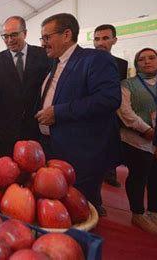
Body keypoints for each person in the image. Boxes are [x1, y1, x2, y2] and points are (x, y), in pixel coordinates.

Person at [35, 13, 121, 217]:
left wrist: (59, 112)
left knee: (80, 211)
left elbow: (109, 99)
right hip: (53, 149)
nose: (44, 43)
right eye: (42, 38)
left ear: (66, 35)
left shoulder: (95, 59)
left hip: (82, 155)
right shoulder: (55, 64)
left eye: (47, 37)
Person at [0, 16, 51, 170]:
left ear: (24, 33)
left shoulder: (42, 55)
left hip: (36, 127)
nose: (9, 40)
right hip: (7, 130)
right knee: (10, 172)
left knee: (36, 172)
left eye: (14, 35)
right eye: (5, 36)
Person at [117, 48, 157, 235]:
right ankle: (137, 213)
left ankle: (154, 213)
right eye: (142, 59)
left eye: (151, 58)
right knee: (139, 176)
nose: (147, 62)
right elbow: (125, 111)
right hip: (136, 140)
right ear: (136, 64)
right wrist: (145, 129)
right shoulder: (127, 84)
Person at [94, 24, 128, 188]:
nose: (100, 43)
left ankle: (110, 174)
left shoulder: (121, 64)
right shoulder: (85, 61)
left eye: (105, 38)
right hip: (90, 114)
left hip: (112, 114)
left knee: (110, 147)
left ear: (114, 40)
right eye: (97, 39)